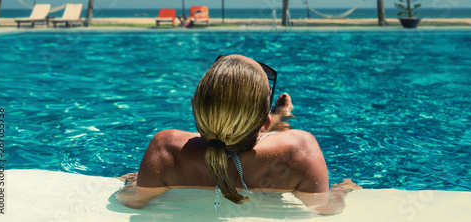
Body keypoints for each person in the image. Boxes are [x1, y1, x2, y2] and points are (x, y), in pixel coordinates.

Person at [117, 55, 357, 214]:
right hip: (266, 138)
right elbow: (325, 208)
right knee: (274, 139)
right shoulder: (299, 149)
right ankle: (277, 125)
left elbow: (134, 201)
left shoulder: (165, 148)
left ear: (193, 107)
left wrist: (132, 182)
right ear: (265, 122)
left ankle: (258, 124)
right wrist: (342, 189)